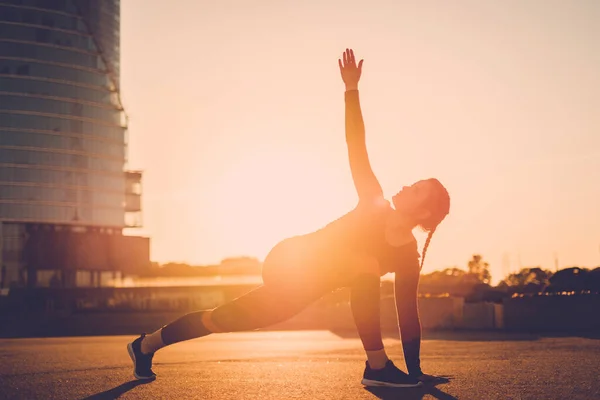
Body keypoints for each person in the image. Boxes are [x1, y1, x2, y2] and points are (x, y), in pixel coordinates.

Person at [127, 48, 450, 388]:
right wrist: (351, 90)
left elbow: (407, 314)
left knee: (216, 319)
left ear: (425, 212)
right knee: (366, 263)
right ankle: (377, 365)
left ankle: (145, 345)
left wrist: (415, 373)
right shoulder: (374, 202)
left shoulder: (406, 256)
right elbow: (356, 144)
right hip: (289, 261)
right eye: (413, 183)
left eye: (416, 190)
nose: (405, 186)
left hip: (299, 293)